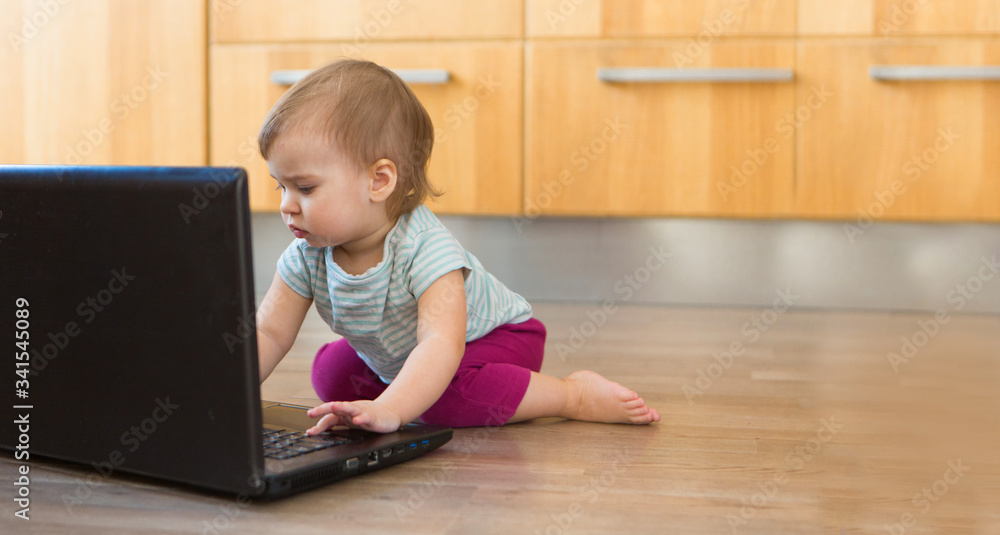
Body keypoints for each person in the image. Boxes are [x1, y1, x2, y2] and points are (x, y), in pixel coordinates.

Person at [253, 59, 660, 434]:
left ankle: (573, 394)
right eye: (280, 186)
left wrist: (393, 409)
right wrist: (221, 393)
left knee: (446, 401)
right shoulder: (306, 255)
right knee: (329, 374)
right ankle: (405, 391)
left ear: (378, 181)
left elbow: (439, 343)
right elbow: (269, 333)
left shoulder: (426, 249)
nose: (286, 205)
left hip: (496, 339)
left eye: (304, 188)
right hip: (404, 352)